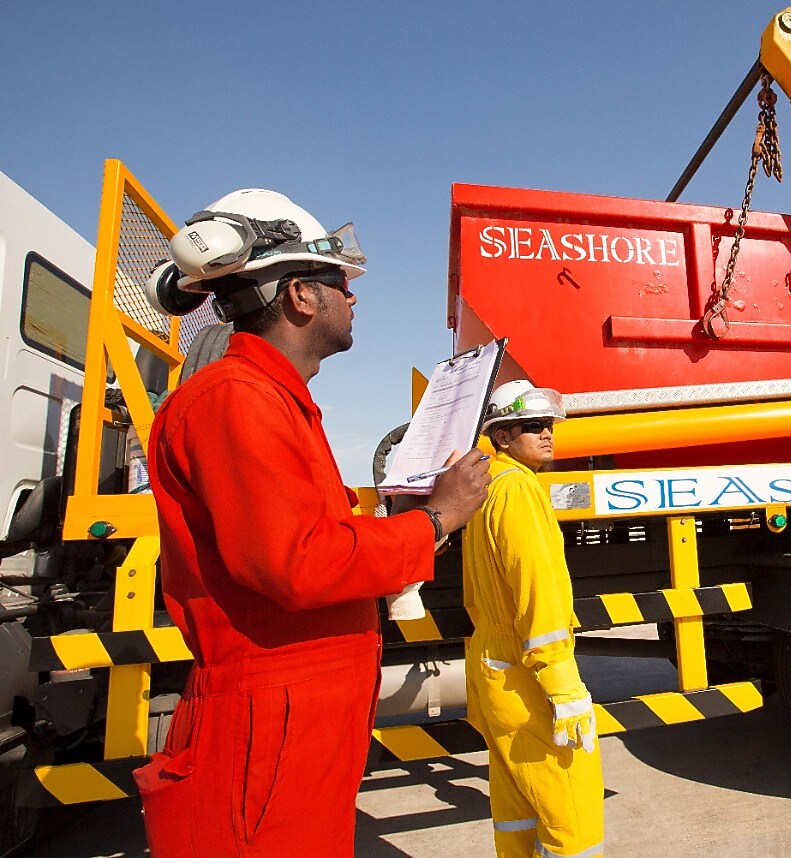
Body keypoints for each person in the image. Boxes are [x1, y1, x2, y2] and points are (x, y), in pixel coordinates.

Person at [134, 188, 491, 856]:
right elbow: (298, 564)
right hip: (263, 736)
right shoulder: (235, 399)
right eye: (339, 284)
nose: (352, 297)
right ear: (299, 296)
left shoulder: (268, 399)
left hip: (286, 728)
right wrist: (438, 519)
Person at [461, 380, 605, 858]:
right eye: (532, 426)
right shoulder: (519, 490)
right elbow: (536, 593)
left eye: (549, 425)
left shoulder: (487, 487)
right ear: (501, 436)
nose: (547, 434)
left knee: (518, 809)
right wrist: (563, 686)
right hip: (528, 678)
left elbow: (477, 595)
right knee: (571, 816)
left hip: (496, 670)